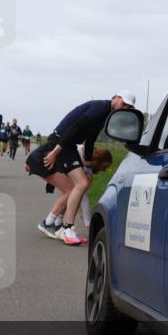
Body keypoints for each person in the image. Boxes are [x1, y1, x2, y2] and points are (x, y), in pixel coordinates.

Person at [27, 92, 135, 245]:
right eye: (123, 104)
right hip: (62, 142)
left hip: (68, 145)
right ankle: (67, 227)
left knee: (77, 186)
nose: (124, 108)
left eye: (128, 107)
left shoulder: (105, 115)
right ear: (115, 97)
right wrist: (55, 151)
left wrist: (89, 165)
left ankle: (58, 226)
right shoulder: (99, 108)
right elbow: (75, 127)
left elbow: (90, 140)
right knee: (81, 184)